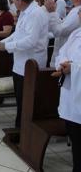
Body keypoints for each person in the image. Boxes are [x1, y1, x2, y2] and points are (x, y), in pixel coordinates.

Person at [0, 0, 49, 128]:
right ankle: (20, 127)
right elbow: (17, 34)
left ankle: (23, 130)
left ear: (21, 0)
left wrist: (6, 47)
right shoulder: (25, 12)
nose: (11, 1)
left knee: (26, 100)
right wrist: (2, 43)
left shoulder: (35, 14)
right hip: (20, 64)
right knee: (20, 99)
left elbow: (31, 41)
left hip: (30, 63)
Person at [53, 22, 81, 172]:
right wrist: (62, 64)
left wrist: (74, 68)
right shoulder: (76, 33)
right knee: (76, 142)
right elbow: (62, 52)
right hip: (71, 99)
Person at [44, 0, 81, 68]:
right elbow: (62, 24)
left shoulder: (77, 13)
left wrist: (52, 12)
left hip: (65, 59)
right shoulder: (75, 10)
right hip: (62, 54)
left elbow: (59, 31)